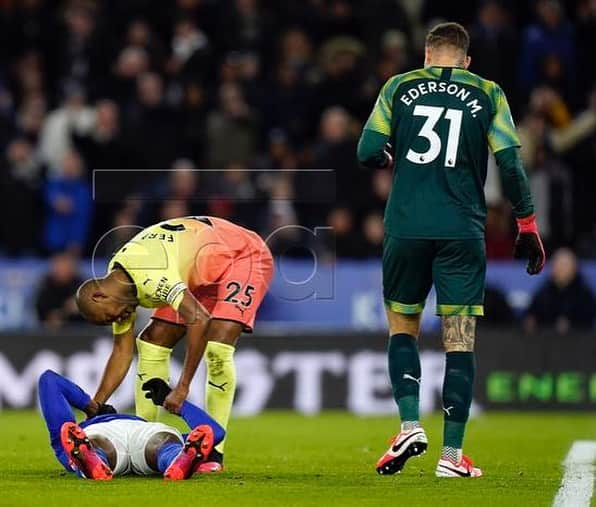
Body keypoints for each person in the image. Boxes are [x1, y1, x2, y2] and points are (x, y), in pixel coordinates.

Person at [357, 22, 545, 478]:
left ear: (426, 56)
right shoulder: (488, 93)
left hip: (405, 227)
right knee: (458, 341)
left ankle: (407, 425)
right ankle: (451, 457)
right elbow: (510, 162)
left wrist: (388, 158)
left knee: (402, 329)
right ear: (466, 60)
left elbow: (366, 150)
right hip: (462, 230)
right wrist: (526, 222)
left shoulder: (398, 86)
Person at [75, 215, 274, 472]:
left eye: (109, 317)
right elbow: (122, 352)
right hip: (198, 268)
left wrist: (182, 387)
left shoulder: (153, 275)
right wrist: (96, 403)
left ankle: (213, 452)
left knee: (217, 345)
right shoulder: (121, 281)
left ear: (99, 295)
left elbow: (199, 319)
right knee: (151, 341)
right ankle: (143, 436)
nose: (118, 319)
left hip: (242, 256)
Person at [38, 369, 224, 481]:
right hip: (144, 431)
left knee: (95, 447)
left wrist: (90, 407)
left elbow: (49, 380)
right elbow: (216, 432)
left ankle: (93, 459)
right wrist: (178, 404)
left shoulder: (72, 436)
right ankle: (177, 460)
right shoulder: (138, 424)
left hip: (97, 434)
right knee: (164, 446)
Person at [525, 248, 595, 333]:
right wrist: (531, 320)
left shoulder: (584, 293)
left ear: (574, 268)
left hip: (577, 341)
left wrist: (571, 325)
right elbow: (531, 313)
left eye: (564, 266)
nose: (560, 269)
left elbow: (588, 320)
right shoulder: (544, 291)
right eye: (557, 265)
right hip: (546, 340)